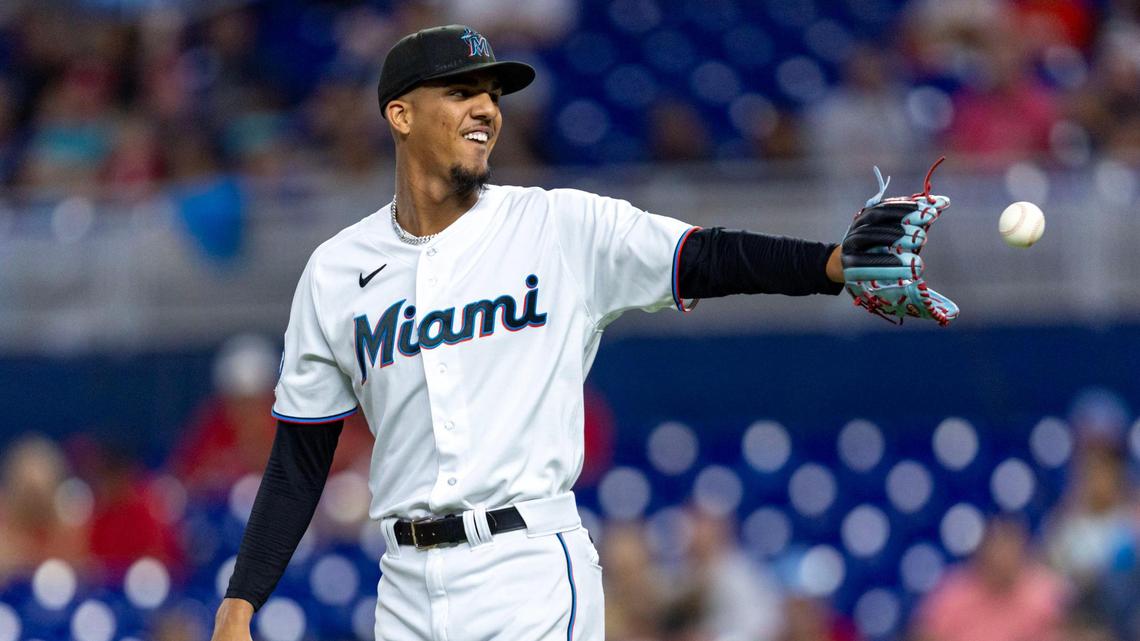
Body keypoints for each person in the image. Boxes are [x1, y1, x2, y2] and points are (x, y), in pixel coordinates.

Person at [210, 24, 949, 641]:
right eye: (462, 91)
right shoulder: (338, 271)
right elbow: (300, 456)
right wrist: (241, 600)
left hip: (528, 567)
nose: (487, 109)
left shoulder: (558, 225)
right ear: (400, 115)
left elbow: (704, 255)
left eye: (493, 95)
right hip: (403, 584)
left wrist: (827, 264)